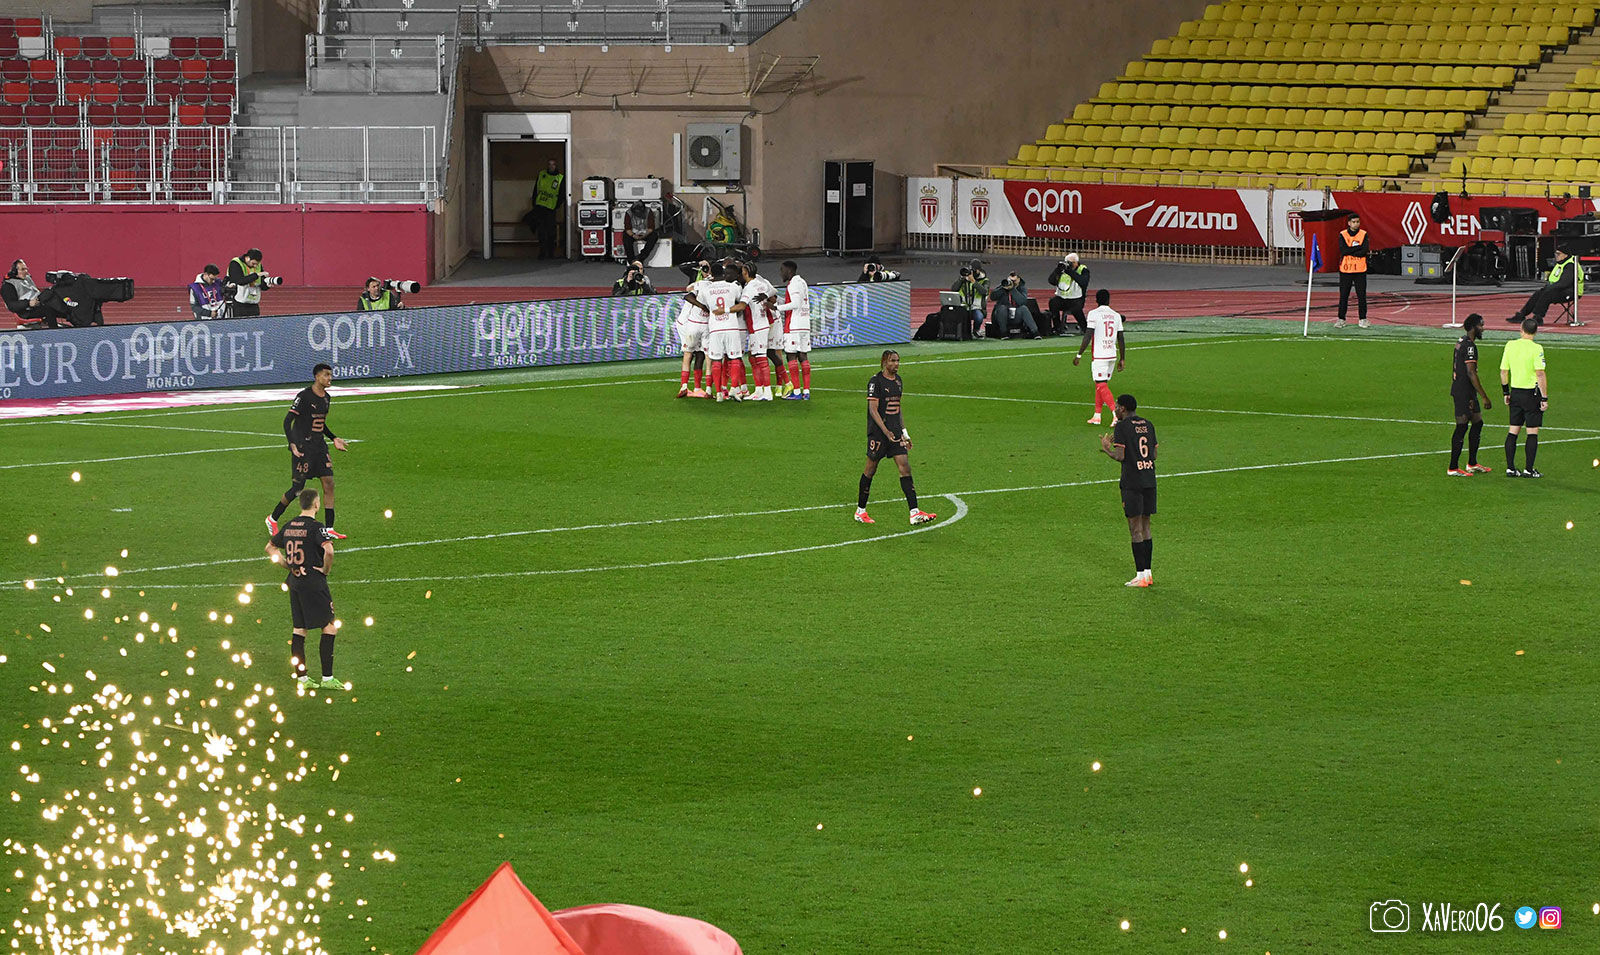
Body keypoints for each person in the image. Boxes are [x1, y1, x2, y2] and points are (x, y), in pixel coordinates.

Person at [264, 487, 346, 691]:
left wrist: (287, 565)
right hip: (314, 584)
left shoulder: (289, 525)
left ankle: (302, 679)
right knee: (329, 626)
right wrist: (325, 570)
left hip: (295, 582)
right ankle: (327, 678)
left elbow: (270, 548)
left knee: (299, 630)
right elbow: (329, 551)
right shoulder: (316, 527)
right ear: (317, 505)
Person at [267, 364, 352, 539]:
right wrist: (292, 444)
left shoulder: (326, 398)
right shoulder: (304, 396)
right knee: (298, 488)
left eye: (330, 375)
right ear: (317, 376)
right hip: (303, 448)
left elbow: (320, 423)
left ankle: (329, 529)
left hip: (319, 447)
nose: (330, 378)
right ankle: (273, 518)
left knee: (329, 483)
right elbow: (287, 421)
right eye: (326, 375)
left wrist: (334, 438)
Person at [855, 349, 938, 526]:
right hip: (879, 434)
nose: (896, 364)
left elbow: (898, 409)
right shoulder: (875, 381)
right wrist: (885, 432)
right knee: (870, 470)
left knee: (905, 468)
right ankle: (860, 511)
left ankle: (914, 513)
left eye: (898, 360)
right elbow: (873, 410)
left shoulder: (898, 381)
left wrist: (904, 433)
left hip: (895, 433)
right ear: (885, 362)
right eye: (893, 361)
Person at [1100, 394, 1157, 587]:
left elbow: (1120, 456)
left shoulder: (1122, 427)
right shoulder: (1148, 424)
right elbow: (1154, 454)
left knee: (1135, 529)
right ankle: (1148, 573)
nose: (1115, 409)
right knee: (1146, 526)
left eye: (1117, 406)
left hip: (1132, 482)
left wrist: (1107, 449)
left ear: (1123, 408)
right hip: (1149, 479)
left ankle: (1140, 576)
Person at [688, 263, 746, 402]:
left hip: (715, 328)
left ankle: (719, 393)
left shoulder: (706, 289)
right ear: (724, 273)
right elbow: (740, 302)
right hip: (731, 326)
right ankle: (734, 389)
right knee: (735, 358)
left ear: (712, 274)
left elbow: (702, 304)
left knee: (716, 360)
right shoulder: (733, 287)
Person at [1500, 317, 1548, 478]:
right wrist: (1544, 397)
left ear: (1521, 329)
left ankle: (1510, 468)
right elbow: (1540, 373)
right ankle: (1528, 469)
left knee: (1513, 430)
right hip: (1531, 394)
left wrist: (1506, 392)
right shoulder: (1537, 348)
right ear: (1536, 331)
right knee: (1532, 432)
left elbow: (1503, 371)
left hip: (1515, 392)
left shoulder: (1510, 345)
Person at [1448, 313, 1494, 477]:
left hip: (1466, 391)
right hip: (1463, 391)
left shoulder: (1462, 340)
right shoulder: (1469, 347)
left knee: (1477, 422)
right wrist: (1484, 396)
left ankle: (1472, 463)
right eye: (1481, 325)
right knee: (1461, 426)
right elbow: (1471, 373)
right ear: (1474, 327)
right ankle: (1453, 467)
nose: (1483, 328)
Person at [1074, 288, 1125, 425]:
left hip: (1100, 355)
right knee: (1100, 384)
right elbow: (1121, 338)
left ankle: (1115, 414)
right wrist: (1122, 358)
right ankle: (1097, 416)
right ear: (1109, 300)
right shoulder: (1116, 315)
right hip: (1112, 354)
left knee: (1101, 384)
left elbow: (1088, 335)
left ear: (1096, 300)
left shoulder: (1094, 314)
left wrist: (1079, 354)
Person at [1507, 247, 1583, 326]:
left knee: (1546, 294)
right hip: (1559, 289)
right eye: (1555, 253)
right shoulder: (1561, 263)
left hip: (1571, 292)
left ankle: (1538, 317)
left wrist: (1550, 288)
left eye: (1558, 254)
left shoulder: (1570, 265)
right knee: (1538, 293)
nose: (1556, 256)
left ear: (1565, 255)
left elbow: (1564, 283)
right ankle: (1522, 315)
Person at [740, 260, 778, 401]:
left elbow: (742, 305)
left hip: (758, 326)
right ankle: (758, 390)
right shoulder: (761, 283)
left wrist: (725, 310)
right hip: (758, 325)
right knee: (753, 357)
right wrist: (766, 295)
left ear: (746, 272)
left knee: (761, 358)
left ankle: (767, 392)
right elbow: (773, 290)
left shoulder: (749, 288)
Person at [775, 260, 813, 400]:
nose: (781, 273)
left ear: (789, 270)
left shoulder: (793, 284)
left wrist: (777, 308)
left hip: (794, 325)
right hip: (804, 324)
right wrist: (777, 300)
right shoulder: (802, 282)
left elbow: (795, 304)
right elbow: (795, 302)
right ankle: (806, 391)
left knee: (791, 356)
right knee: (803, 356)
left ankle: (796, 392)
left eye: (782, 270)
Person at [675, 260, 712, 398]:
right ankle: (700, 388)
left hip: (690, 322)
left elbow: (688, 290)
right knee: (699, 354)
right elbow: (688, 290)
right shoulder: (704, 283)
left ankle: (688, 386)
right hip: (689, 323)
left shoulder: (701, 285)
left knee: (693, 354)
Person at [3, 258, 62, 328]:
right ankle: (54, 330)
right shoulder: (8, 285)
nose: (26, 271)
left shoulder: (27, 278)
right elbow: (12, 306)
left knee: (55, 297)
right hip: (26, 311)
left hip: (38, 303)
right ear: (14, 271)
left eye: (26, 269)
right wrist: (28, 303)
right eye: (22, 269)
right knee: (49, 308)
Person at [1333, 213, 1369, 329]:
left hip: (1360, 270)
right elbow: (1343, 251)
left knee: (1361, 295)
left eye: (1357, 222)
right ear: (1349, 223)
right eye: (1353, 222)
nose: (1356, 224)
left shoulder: (1363, 234)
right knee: (1344, 295)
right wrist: (1357, 248)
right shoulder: (1343, 234)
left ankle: (1362, 319)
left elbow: (1363, 251)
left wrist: (1351, 250)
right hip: (1346, 269)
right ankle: (1341, 319)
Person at [528, 158, 564, 260]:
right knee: (541, 232)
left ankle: (551, 253)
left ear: (556, 166)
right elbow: (536, 189)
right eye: (549, 164)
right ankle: (542, 253)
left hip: (551, 208)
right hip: (540, 206)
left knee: (551, 232)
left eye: (553, 164)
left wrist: (556, 205)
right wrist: (534, 203)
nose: (551, 166)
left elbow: (561, 194)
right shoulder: (542, 174)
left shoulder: (560, 178)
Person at [1046, 253, 1090, 336]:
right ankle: (1057, 328)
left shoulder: (1083, 270)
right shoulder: (1062, 270)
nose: (1068, 264)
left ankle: (1084, 328)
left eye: (1071, 263)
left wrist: (1070, 271)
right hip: (1062, 298)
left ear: (1076, 262)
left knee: (1076, 309)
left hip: (1076, 298)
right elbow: (1051, 281)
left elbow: (1083, 282)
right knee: (1053, 302)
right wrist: (1057, 270)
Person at [987, 271, 1041, 339]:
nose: (1012, 282)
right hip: (1002, 315)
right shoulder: (1003, 286)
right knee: (1002, 308)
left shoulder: (1022, 288)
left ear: (1018, 280)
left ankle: (1035, 332)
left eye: (1014, 281)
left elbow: (1022, 302)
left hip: (1016, 314)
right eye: (1010, 280)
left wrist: (1012, 289)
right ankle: (1003, 333)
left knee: (1024, 308)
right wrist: (1002, 288)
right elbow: (992, 297)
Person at [226, 248, 269, 318]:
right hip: (239, 303)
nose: (255, 266)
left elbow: (260, 283)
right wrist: (256, 275)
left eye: (257, 264)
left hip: (253, 302)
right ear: (248, 258)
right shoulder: (236, 263)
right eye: (253, 263)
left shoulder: (258, 265)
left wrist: (267, 285)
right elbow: (239, 281)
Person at [951, 264, 988, 339]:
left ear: (978, 270)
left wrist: (973, 281)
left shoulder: (984, 280)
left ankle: (976, 330)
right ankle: (961, 331)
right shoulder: (963, 279)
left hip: (976, 307)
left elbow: (984, 292)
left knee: (979, 317)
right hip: (964, 306)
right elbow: (954, 289)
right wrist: (961, 279)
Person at [621, 199, 659, 265]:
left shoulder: (648, 212)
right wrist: (633, 235)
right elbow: (627, 228)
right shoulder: (628, 213)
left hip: (646, 233)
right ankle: (631, 260)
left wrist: (644, 235)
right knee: (626, 237)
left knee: (654, 236)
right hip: (633, 233)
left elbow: (651, 228)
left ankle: (641, 257)